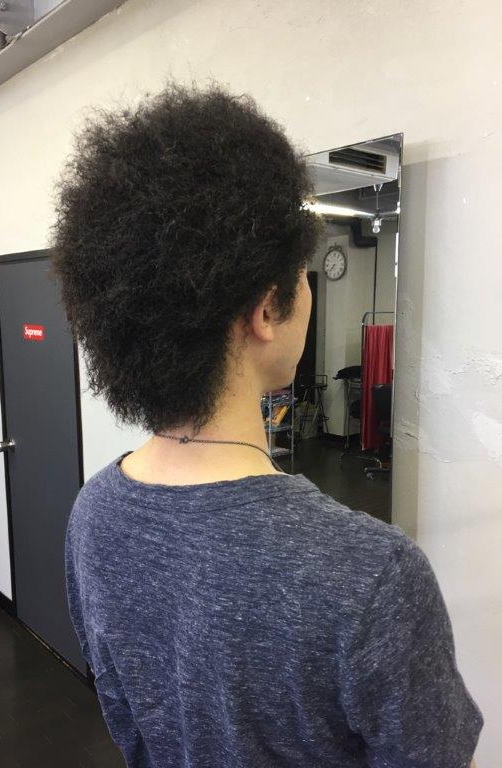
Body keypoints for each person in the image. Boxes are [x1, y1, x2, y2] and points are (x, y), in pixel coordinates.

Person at [50, 82, 483, 768]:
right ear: (264, 311)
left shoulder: (93, 515)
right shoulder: (372, 575)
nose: (307, 289)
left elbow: (130, 721)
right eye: (301, 275)